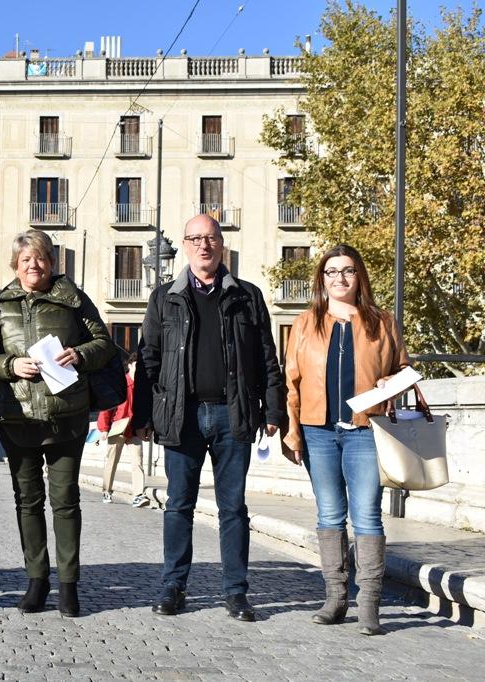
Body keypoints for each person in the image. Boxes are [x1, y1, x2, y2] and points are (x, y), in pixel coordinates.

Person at [132, 214, 284, 622]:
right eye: (196, 239)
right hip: (180, 416)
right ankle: (173, 586)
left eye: (211, 238)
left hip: (232, 414)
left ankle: (236, 592)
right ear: (185, 245)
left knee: (233, 507)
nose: (204, 246)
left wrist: (274, 410)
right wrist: (142, 415)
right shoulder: (164, 297)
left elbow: (267, 357)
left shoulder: (247, 296)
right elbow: (149, 358)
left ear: (222, 244)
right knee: (178, 505)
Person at [0, 229, 117, 617]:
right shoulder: (0, 303)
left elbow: (103, 343)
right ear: (15, 265)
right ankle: (36, 580)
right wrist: (8, 364)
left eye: (39, 258)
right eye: (25, 260)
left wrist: (79, 355)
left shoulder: (73, 299)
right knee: (28, 501)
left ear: (51, 263)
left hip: (65, 414)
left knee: (66, 501)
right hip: (16, 414)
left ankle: (69, 585)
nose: (33, 265)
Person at [282, 244, 409, 636]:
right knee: (329, 514)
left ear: (360, 277)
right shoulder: (306, 322)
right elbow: (292, 382)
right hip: (318, 431)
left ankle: (369, 602)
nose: (339, 278)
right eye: (331, 271)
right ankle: (336, 598)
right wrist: (293, 429)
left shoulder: (382, 322)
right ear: (322, 279)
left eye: (348, 271)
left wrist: (392, 382)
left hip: (366, 432)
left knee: (367, 515)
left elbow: (403, 368)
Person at [97, 357, 149, 508]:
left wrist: (146, 428)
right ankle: (107, 491)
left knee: (137, 462)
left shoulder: (142, 387)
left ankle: (138, 495)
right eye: (137, 365)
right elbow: (108, 406)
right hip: (118, 428)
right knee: (112, 462)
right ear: (130, 365)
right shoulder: (121, 383)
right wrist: (104, 429)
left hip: (134, 430)